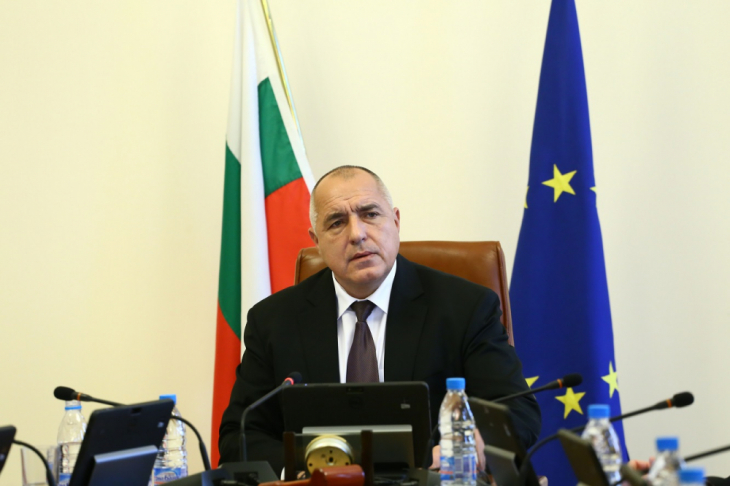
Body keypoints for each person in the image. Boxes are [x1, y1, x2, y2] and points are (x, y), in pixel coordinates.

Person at [218, 165, 541, 472]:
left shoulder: (465, 308)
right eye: (336, 223)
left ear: (396, 221)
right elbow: (240, 434)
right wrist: (314, 467)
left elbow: (517, 412)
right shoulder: (273, 321)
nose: (357, 234)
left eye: (370, 214)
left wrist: (464, 446)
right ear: (316, 241)